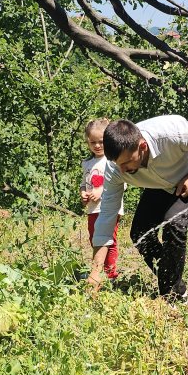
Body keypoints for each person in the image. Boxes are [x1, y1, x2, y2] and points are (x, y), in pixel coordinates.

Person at [88, 116, 188, 301]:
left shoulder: (171, 133)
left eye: (126, 163)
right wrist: (95, 272)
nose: (122, 170)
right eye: (117, 164)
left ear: (142, 147)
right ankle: (176, 286)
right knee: (140, 232)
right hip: (162, 181)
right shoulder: (116, 169)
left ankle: (170, 297)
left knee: (174, 222)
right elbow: (106, 216)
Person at [80, 118, 121, 280]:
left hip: (109, 208)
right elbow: (84, 184)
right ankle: (99, 270)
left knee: (109, 240)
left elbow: (120, 184)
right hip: (92, 209)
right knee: (94, 239)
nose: (97, 146)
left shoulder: (112, 161)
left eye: (101, 142)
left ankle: (111, 274)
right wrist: (83, 193)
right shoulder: (87, 163)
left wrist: (100, 191)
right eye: (93, 142)